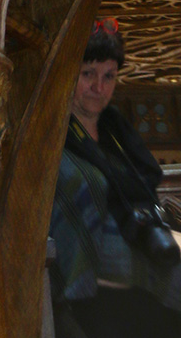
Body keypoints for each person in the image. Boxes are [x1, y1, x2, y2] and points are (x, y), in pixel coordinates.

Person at [49, 19, 181, 337]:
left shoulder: (115, 128)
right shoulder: (52, 135)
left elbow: (145, 185)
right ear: (69, 74)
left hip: (144, 269)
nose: (99, 87)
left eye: (109, 76)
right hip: (90, 287)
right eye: (88, 74)